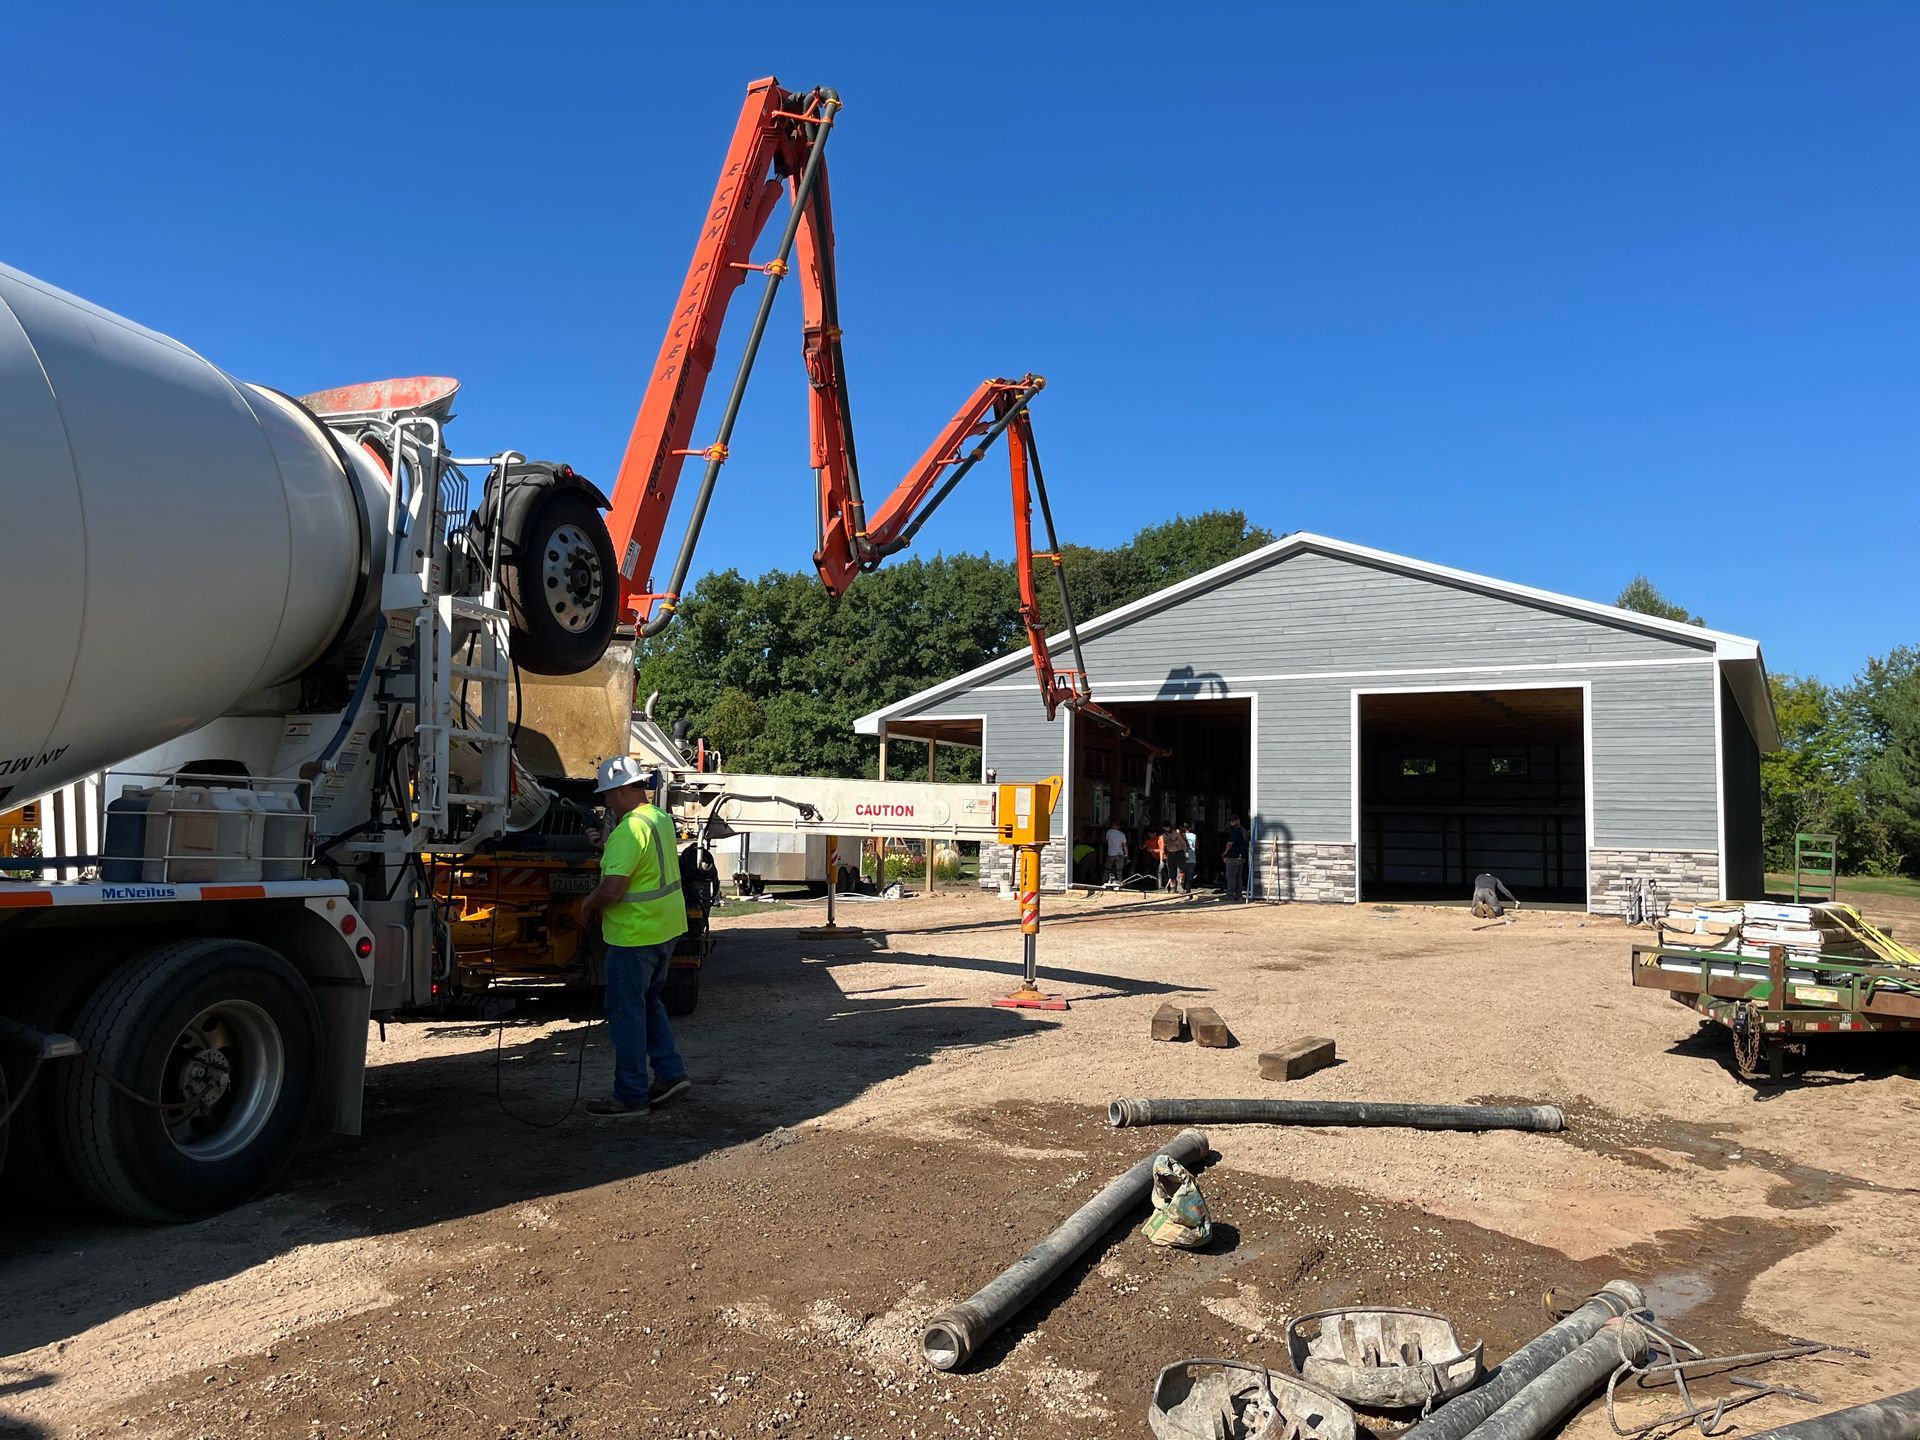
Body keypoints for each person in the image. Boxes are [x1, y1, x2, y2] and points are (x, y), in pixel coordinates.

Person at [580, 756, 692, 1118]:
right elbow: (640, 864)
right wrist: (606, 849)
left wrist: (587, 906)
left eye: (611, 794)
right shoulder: (658, 819)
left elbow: (613, 889)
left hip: (634, 935)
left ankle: (630, 1096)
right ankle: (670, 1073)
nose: (607, 801)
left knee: (626, 1013)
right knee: (648, 1003)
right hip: (664, 930)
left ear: (627, 789)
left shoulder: (629, 831)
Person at [1222, 815, 1249, 902]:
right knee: (1238, 877)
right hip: (1243, 856)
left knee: (1231, 876)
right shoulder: (1244, 830)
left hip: (1233, 857)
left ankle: (1230, 895)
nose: (1231, 823)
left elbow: (1230, 843)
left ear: (1237, 821)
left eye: (1232, 821)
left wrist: (1225, 853)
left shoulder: (1235, 830)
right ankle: (1239, 895)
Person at [1162, 823, 1188, 894]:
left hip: (1179, 853)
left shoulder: (1177, 832)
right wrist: (1164, 854)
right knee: (1171, 872)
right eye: (1165, 828)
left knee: (1181, 870)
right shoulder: (1164, 835)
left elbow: (1184, 843)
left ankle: (1180, 886)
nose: (1167, 829)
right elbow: (1164, 845)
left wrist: (1186, 853)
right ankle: (1173, 888)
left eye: (1168, 828)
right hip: (1170, 854)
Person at [1103, 819, 1128, 887]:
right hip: (1119, 854)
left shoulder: (1109, 832)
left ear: (1112, 826)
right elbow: (1125, 846)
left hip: (1110, 854)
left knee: (1107, 870)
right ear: (1119, 827)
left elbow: (1107, 840)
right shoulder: (1122, 834)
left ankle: (1104, 883)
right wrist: (1127, 855)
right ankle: (1118, 885)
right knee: (1119, 871)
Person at [1182, 820, 1198, 894]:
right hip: (1192, 857)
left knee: (1182, 874)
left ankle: (1182, 888)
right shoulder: (1194, 836)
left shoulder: (1181, 835)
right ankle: (1188, 889)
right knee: (1189, 875)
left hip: (1183, 857)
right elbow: (1197, 846)